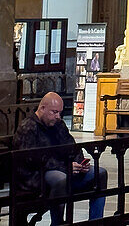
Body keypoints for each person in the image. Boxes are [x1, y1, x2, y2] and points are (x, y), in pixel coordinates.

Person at [12, 91, 107, 224]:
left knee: (99, 173)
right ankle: (58, 222)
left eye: (59, 112)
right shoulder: (28, 127)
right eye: (54, 112)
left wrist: (80, 162)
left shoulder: (58, 124)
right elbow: (32, 159)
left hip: (63, 170)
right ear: (42, 108)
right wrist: (66, 167)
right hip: (35, 177)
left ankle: (96, 222)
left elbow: (72, 147)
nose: (58, 116)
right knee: (60, 179)